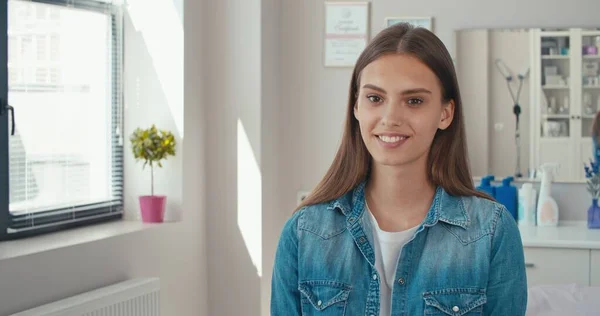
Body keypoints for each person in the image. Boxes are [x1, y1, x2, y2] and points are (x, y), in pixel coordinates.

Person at [271, 23, 527, 315]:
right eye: (375, 98)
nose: (390, 117)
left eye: (414, 101)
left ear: (445, 113)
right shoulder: (303, 233)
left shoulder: (492, 232)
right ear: (356, 107)